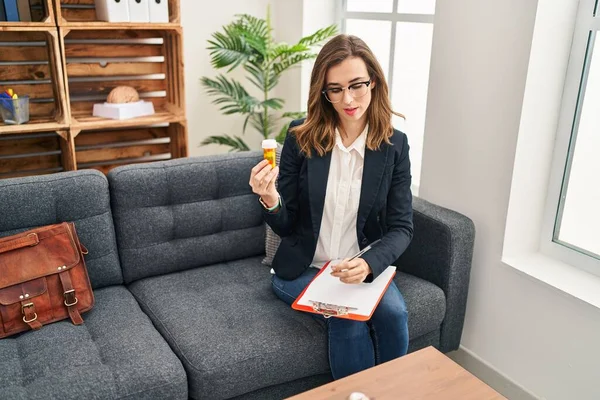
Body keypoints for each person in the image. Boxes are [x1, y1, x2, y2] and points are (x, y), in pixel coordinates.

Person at [249, 34, 413, 380]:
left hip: (363, 267)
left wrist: (368, 263)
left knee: (394, 314)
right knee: (346, 317)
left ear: (374, 82)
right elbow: (287, 222)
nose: (347, 99)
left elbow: (402, 228)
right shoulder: (300, 137)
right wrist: (269, 199)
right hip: (304, 267)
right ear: (323, 92)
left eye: (356, 85)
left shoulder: (394, 145)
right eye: (334, 89)